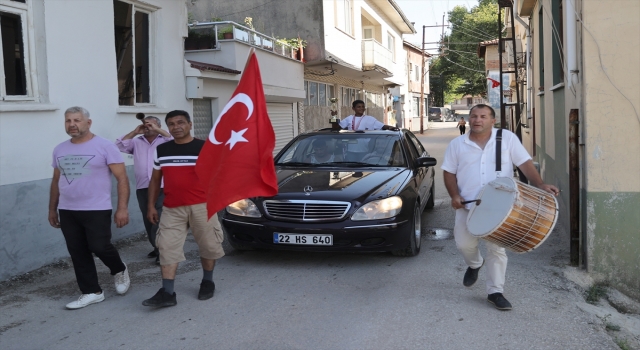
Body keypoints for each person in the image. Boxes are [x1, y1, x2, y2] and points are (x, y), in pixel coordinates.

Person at [441, 104, 559, 311]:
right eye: (474, 116)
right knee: (463, 244)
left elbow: (524, 163)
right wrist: (454, 195)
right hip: (467, 205)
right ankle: (475, 263)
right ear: (468, 119)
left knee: (497, 250)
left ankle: (495, 292)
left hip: (500, 206)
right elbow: (449, 172)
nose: (478, 120)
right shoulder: (457, 144)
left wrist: (540, 184)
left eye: (483, 116)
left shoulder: (507, 138)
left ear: (492, 120)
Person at [48, 106, 131, 310]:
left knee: (99, 246)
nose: (72, 124)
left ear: (88, 122)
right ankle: (92, 291)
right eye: (68, 121)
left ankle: (119, 269)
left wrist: (122, 208)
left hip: (97, 208)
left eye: (77, 120)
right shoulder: (60, 149)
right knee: (77, 251)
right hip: (68, 210)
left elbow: (122, 178)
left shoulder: (104, 146)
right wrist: (52, 209)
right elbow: (56, 180)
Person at [142, 110, 225, 307]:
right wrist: (151, 206)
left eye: (180, 123)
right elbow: (155, 180)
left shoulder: (204, 148)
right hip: (172, 208)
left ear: (190, 124)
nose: (176, 127)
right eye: (171, 124)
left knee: (208, 246)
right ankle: (167, 293)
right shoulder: (162, 150)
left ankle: (207, 282)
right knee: (166, 247)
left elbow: (219, 176)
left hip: (202, 206)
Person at [116, 116, 172, 264]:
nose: (147, 127)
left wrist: (157, 130)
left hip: (162, 186)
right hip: (143, 187)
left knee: (159, 219)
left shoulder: (165, 139)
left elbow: (174, 139)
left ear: (158, 126)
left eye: (151, 125)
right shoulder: (136, 142)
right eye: (145, 125)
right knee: (148, 219)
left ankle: (163, 251)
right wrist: (135, 132)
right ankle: (156, 246)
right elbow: (119, 145)